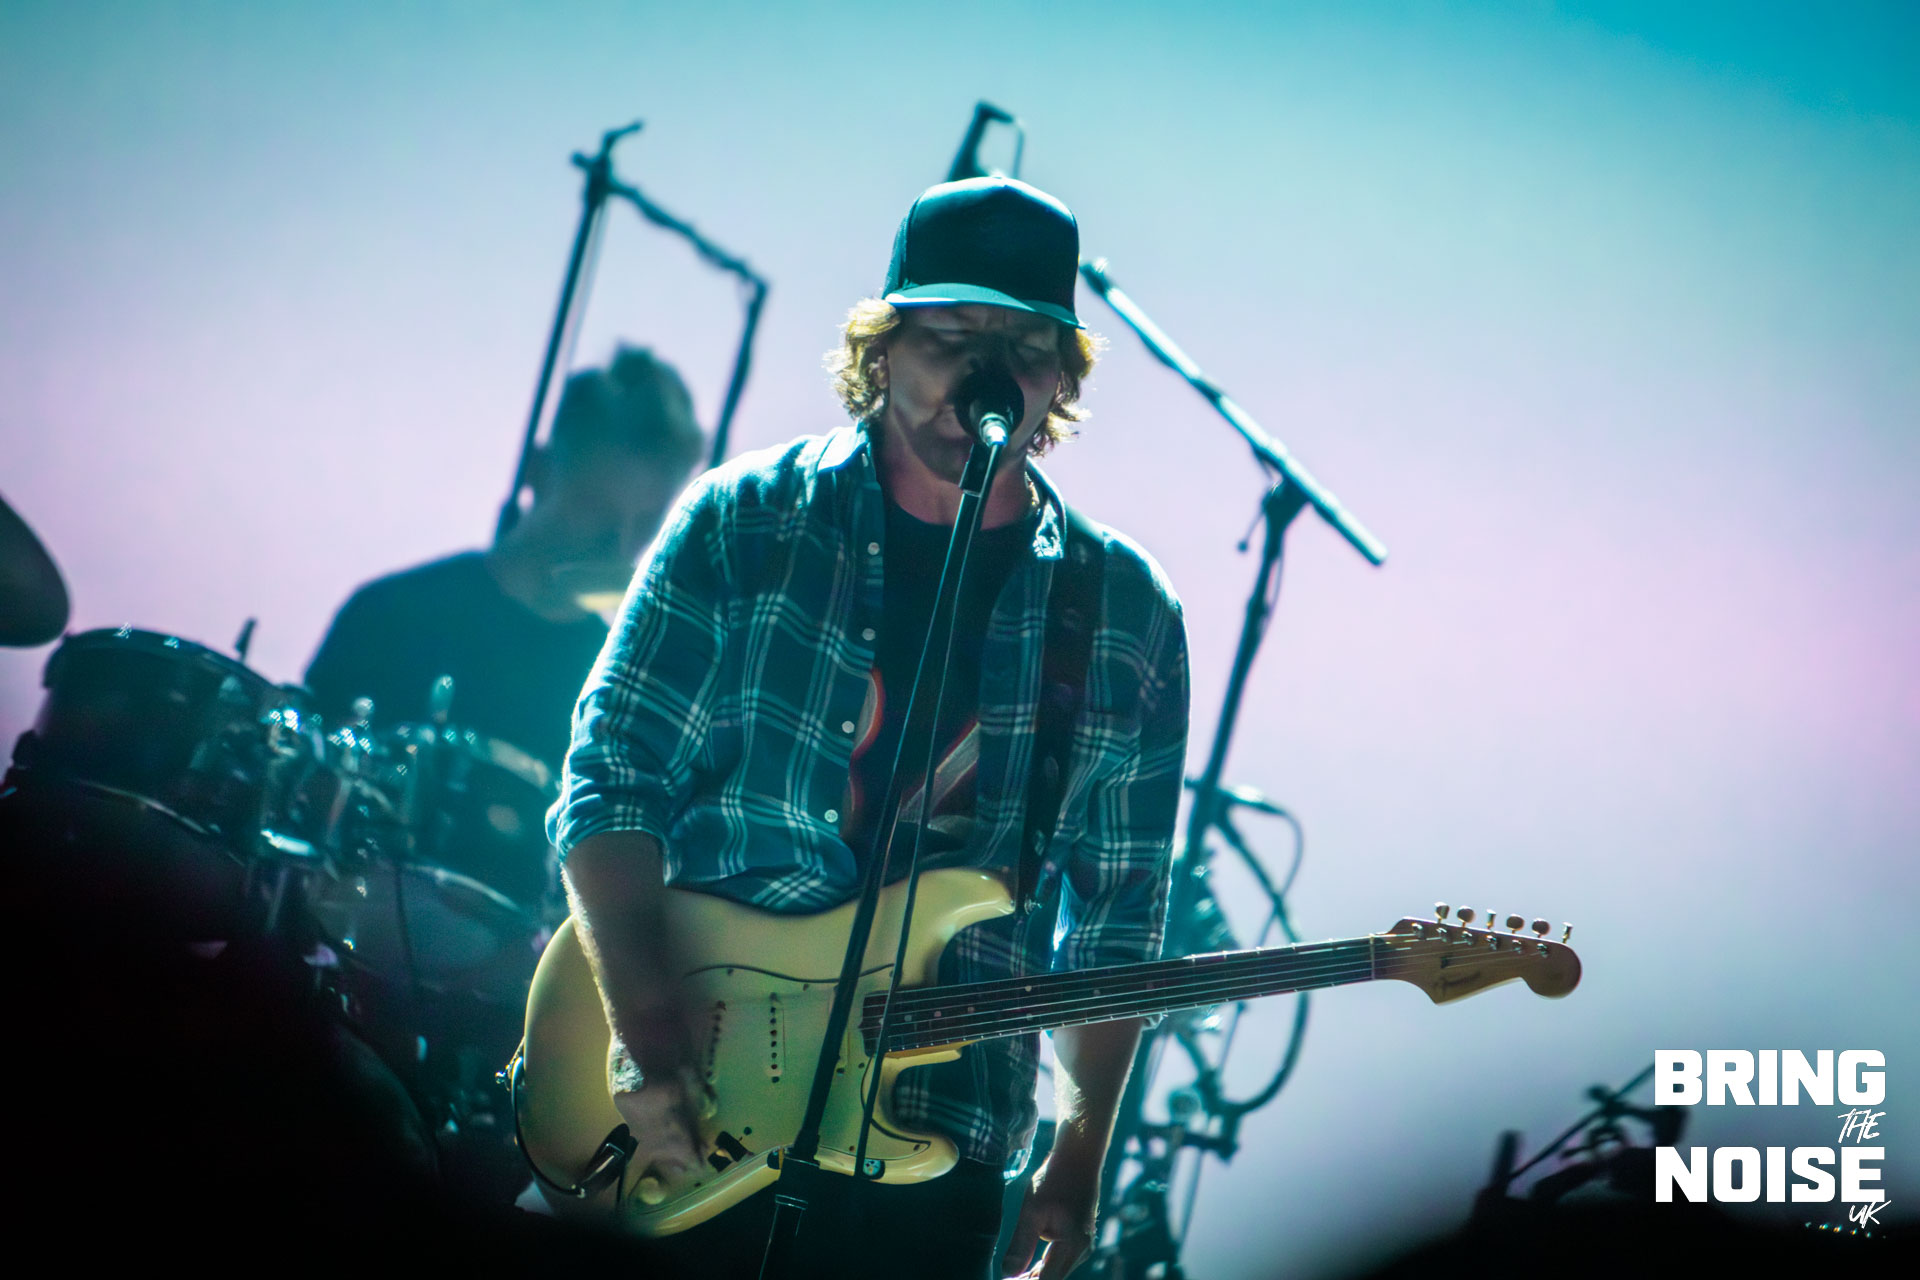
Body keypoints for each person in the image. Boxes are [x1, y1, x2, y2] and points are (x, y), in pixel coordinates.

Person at [551, 177, 1189, 1280]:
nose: (988, 373)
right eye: (952, 337)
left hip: (940, 1142)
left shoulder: (1125, 611)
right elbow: (612, 779)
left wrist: (1079, 1155)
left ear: (1061, 377)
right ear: (882, 348)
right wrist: (645, 1034)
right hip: (688, 1103)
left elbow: (1117, 920)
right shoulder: (746, 520)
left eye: (1026, 347)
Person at [305, 345, 704, 774]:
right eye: (596, 512)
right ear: (537, 469)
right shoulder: (389, 615)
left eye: (644, 525)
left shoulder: (619, 705)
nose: (619, 543)